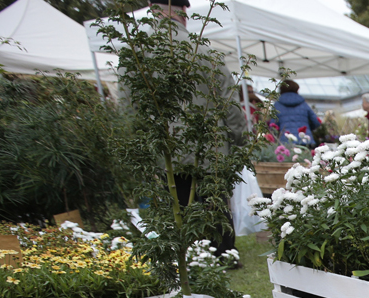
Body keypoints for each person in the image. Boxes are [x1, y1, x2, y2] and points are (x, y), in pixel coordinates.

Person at [120, 0, 247, 266]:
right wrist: (237, 144)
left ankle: (186, 257)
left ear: (153, 11)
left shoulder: (136, 54)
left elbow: (129, 109)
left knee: (177, 205)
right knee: (215, 204)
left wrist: (140, 149)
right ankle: (224, 255)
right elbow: (230, 106)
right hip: (212, 146)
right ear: (183, 13)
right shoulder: (205, 52)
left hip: (166, 149)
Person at [273, 79, 321, 147]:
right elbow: (316, 122)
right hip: (305, 141)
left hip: (286, 142)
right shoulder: (303, 104)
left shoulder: (277, 105)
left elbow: (273, 127)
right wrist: (307, 128)